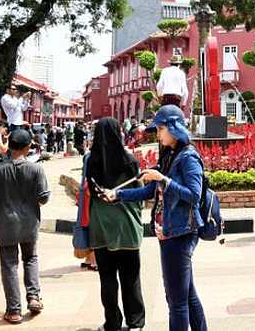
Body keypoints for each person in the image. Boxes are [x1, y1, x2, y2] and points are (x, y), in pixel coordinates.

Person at [106, 105, 207, 330]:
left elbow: (193, 195)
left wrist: (163, 179)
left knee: (176, 301)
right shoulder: (171, 155)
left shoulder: (188, 157)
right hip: (170, 231)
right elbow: (150, 192)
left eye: (161, 129)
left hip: (180, 233)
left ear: (174, 128)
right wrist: (119, 195)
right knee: (187, 295)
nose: (158, 134)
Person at [0, 128, 50, 323]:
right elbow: (44, 197)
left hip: (5, 224)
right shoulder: (36, 169)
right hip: (29, 223)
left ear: (10, 147)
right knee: (31, 259)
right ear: (27, 148)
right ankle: (34, 297)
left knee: (9, 265)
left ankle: (14, 310)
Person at [86, 118, 145, 331]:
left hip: (101, 227)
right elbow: (140, 193)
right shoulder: (130, 161)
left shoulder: (91, 161)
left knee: (108, 279)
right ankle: (135, 322)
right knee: (131, 278)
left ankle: (112, 323)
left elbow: (90, 192)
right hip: (127, 227)